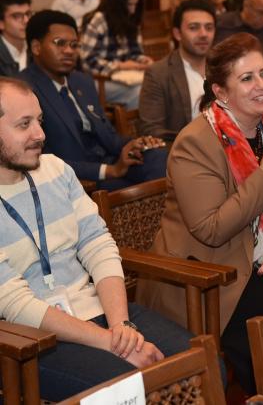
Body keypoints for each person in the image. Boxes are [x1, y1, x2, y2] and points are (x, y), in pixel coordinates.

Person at [0, 78, 193, 401]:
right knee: (131, 389)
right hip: (32, 340)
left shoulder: (56, 170)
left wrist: (122, 328)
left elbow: (97, 243)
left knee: (198, 361)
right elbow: (16, 304)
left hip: (99, 311)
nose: (40, 134)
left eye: (40, 121)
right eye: (24, 125)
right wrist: (109, 343)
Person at [137, 33, 263, 394]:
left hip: (262, 258)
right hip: (210, 277)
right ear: (221, 92)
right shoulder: (195, 142)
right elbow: (211, 229)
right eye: (247, 79)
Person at [20, 10, 167, 190]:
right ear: (36, 47)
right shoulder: (24, 90)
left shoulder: (82, 81)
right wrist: (108, 170)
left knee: (158, 156)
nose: (69, 51)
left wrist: (134, 144)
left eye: (74, 45)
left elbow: (107, 135)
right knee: (136, 187)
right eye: (60, 43)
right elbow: (41, 159)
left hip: (110, 161)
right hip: (76, 178)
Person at [138, 0, 216, 142]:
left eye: (209, 27)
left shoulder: (223, 68)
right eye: (194, 27)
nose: (203, 34)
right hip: (183, 153)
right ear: (177, 34)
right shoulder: (158, 73)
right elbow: (151, 130)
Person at [80, 0, 153, 109]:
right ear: (118, 4)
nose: (132, 10)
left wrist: (142, 61)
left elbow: (134, 52)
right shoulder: (98, 20)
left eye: (135, 5)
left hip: (126, 77)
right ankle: (132, 128)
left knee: (157, 85)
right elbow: (88, 62)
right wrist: (120, 66)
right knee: (140, 92)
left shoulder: (131, 19)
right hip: (99, 80)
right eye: (129, 5)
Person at [0, 0, 32, 77]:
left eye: (28, 14)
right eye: (17, 16)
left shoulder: (37, 49)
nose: (26, 20)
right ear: (1, 23)